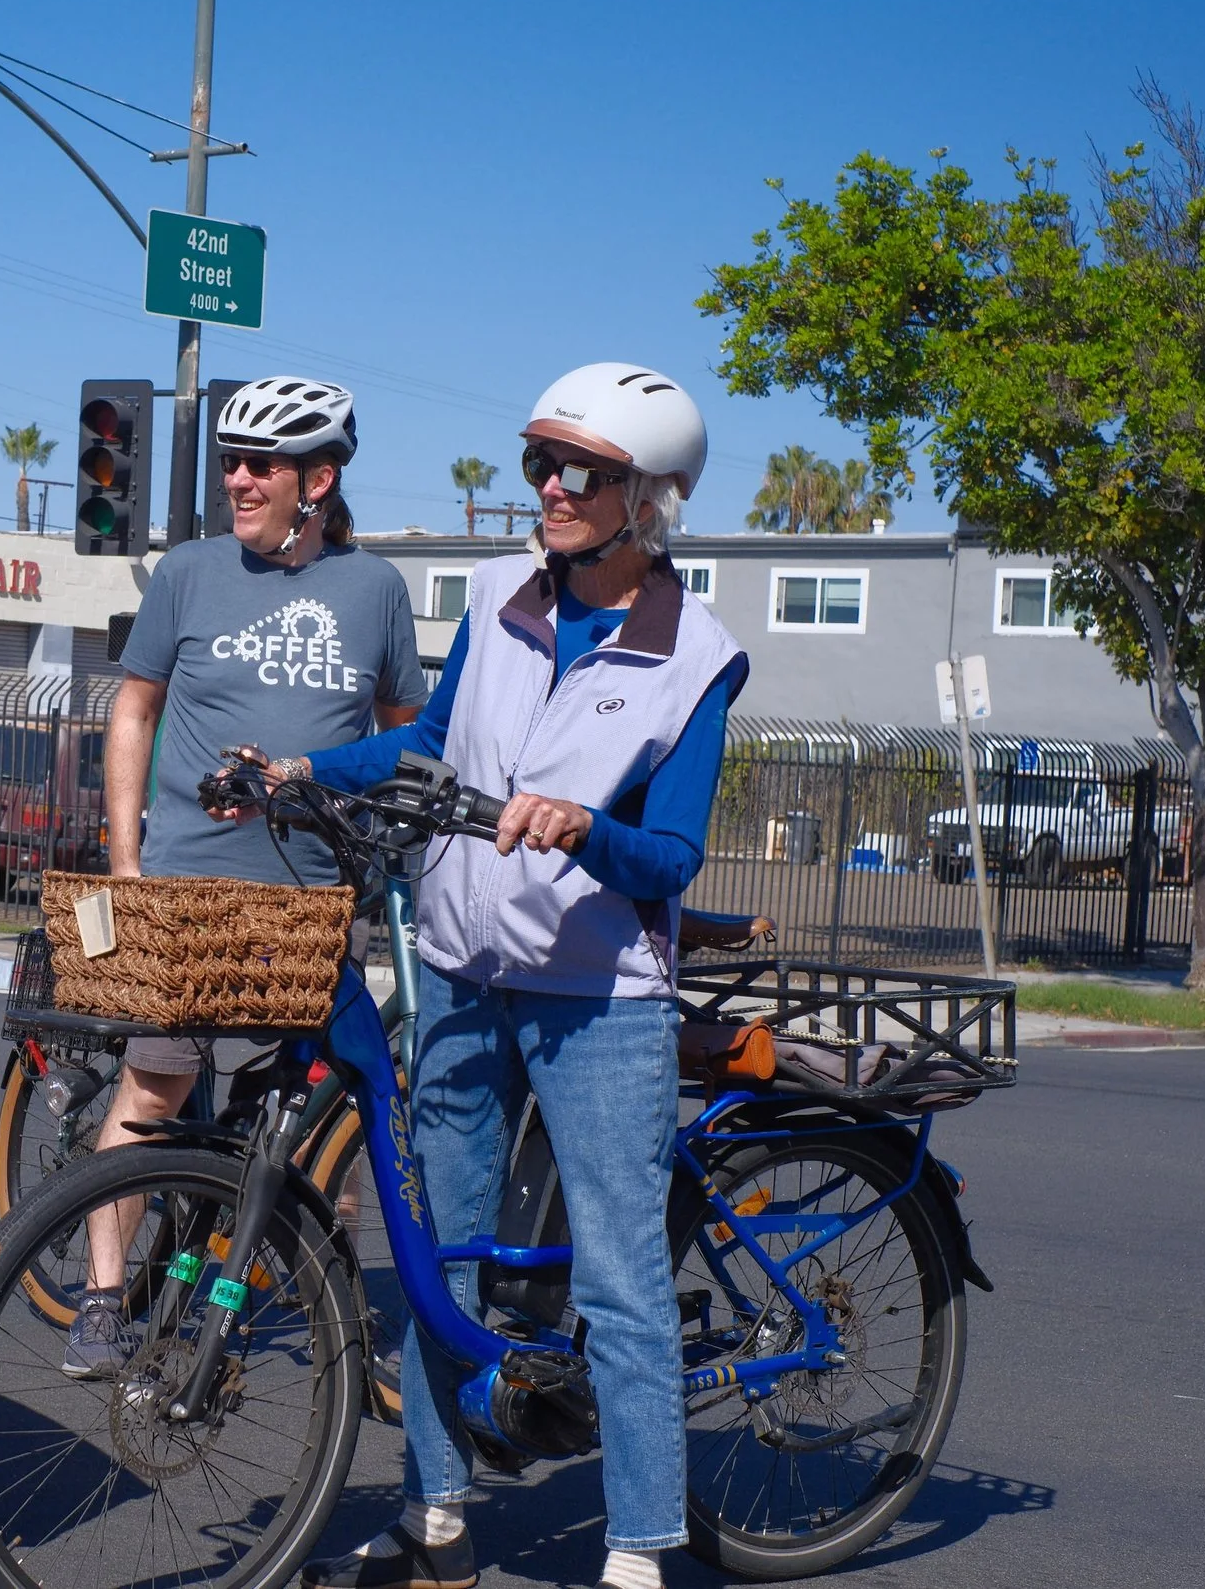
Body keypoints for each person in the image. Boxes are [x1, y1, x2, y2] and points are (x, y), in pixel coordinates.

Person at [256, 365, 748, 1589]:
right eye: (542, 462)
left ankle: (637, 1549)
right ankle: (436, 1518)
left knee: (622, 1282)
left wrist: (582, 826)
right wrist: (308, 773)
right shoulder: (494, 595)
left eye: (584, 471)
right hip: (460, 970)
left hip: (598, 1001)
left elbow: (672, 855)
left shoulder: (696, 658)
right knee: (441, 1260)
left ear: (652, 497)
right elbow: (427, 745)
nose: (553, 489)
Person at [65, 375, 427, 1377]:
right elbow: (133, 707)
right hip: (187, 885)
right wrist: (127, 859)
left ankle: (320, 1291)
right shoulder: (187, 572)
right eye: (230, 459)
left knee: (319, 1103)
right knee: (157, 1079)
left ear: (317, 477)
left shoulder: (376, 592)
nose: (236, 478)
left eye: (258, 462)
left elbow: (403, 742)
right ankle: (102, 1299)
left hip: (313, 899)